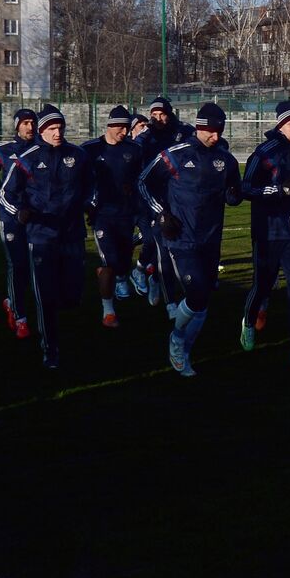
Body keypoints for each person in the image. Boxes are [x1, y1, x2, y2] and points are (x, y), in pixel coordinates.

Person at [139, 102, 243, 376]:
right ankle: (176, 338)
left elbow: (234, 191)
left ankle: (184, 349)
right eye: (210, 131)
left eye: (219, 131)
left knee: (203, 299)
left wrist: (234, 194)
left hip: (211, 238)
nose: (216, 136)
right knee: (196, 293)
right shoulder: (174, 155)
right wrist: (162, 214)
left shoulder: (226, 160)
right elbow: (143, 182)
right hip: (181, 238)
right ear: (198, 127)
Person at [0, 105, 91, 369]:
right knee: (45, 297)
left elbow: (91, 184)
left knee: (73, 296)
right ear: (41, 131)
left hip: (72, 234)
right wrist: (20, 211)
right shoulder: (26, 158)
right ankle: (50, 348)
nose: (57, 132)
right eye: (51, 128)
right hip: (40, 236)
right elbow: (6, 193)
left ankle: (58, 311)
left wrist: (90, 202)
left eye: (60, 127)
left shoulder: (78, 155)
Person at [239, 101, 290, 364]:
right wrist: (275, 191)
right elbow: (246, 188)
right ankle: (249, 321)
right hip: (268, 231)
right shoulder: (264, 152)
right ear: (280, 125)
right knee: (263, 284)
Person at [82, 106, 144, 328]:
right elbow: (78, 179)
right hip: (102, 216)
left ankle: (119, 277)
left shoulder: (134, 150)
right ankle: (108, 311)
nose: (124, 131)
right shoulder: (90, 149)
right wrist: (88, 203)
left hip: (126, 214)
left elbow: (141, 178)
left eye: (127, 127)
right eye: (120, 127)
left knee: (123, 262)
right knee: (109, 262)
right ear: (109, 125)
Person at [133, 96, 195, 313]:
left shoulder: (184, 131)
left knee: (181, 248)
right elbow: (132, 153)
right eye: (154, 115)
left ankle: (154, 279)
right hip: (154, 200)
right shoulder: (146, 136)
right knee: (161, 247)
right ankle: (170, 301)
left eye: (162, 114)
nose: (158, 119)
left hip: (181, 198)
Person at [0, 108, 36, 337]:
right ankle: (20, 315)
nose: (30, 127)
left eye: (32, 122)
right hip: (10, 216)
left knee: (36, 266)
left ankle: (11, 301)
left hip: (35, 216)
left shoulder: (40, 150)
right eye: (25, 123)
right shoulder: (3, 150)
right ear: (17, 126)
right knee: (17, 264)